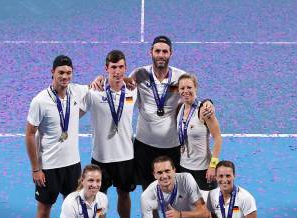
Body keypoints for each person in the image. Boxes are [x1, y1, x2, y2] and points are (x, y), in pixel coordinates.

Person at [90, 35, 215, 191]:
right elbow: (118, 79)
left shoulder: (179, 76)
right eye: (157, 51)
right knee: (148, 190)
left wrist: (208, 101)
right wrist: (101, 78)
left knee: (174, 190)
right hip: (144, 146)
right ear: (151, 53)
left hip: (173, 146)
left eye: (165, 51)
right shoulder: (140, 74)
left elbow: (191, 94)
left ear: (171, 54)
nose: (161, 55)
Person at [25, 55, 88, 218]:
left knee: (76, 210)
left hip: (73, 165)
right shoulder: (40, 100)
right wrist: (36, 168)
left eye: (68, 73)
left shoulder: (77, 92)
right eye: (61, 72)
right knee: (45, 209)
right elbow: (29, 134)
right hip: (49, 167)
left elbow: (97, 86)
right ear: (52, 73)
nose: (65, 76)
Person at [82, 50, 138, 218]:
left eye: (121, 67)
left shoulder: (132, 90)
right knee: (98, 196)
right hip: (101, 156)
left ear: (125, 68)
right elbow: (76, 111)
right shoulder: (94, 92)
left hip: (126, 155)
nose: (117, 71)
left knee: (124, 194)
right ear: (106, 68)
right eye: (113, 67)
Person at [176, 73, 223, 200]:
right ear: (178, 90)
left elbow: (218, 138)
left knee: (209, 210)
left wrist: (213, 166)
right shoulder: (180, 109)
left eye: (189, 87)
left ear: (196, 87)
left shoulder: (204, 110)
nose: (185, 91)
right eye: (182, 88)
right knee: (189, 206)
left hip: (203, 170)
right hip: (184, 167)